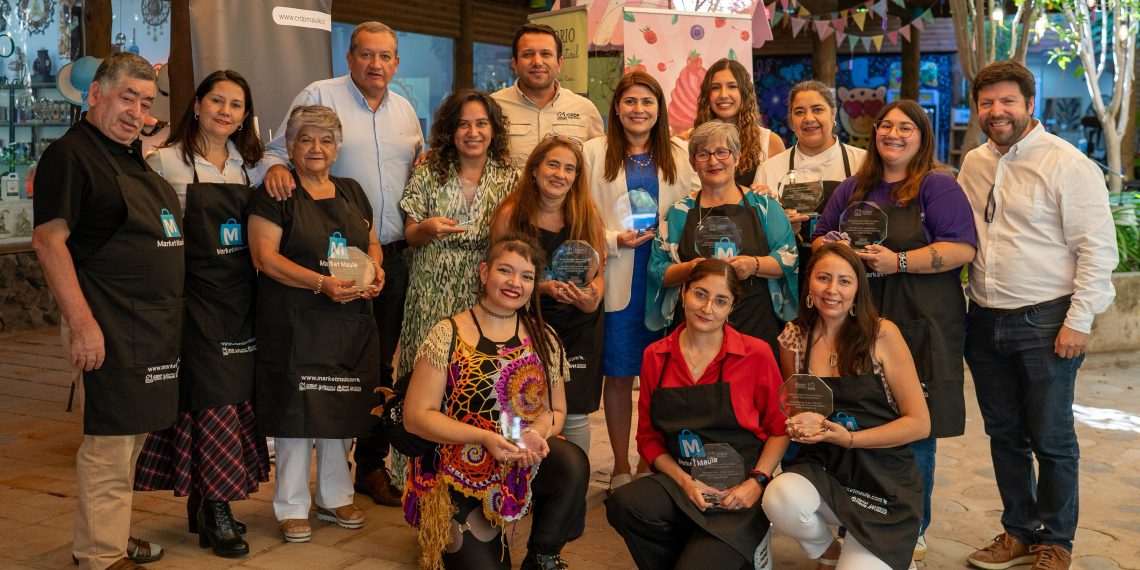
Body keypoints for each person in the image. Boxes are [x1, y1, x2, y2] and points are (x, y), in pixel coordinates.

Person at [958, 61, 1117, 570]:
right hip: (984, 320)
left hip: (1046, 322)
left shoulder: (1067, 163)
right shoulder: (974, 163)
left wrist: (1079, 321)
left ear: (1030, 104)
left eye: (1008, 101)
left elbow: (1097, 249)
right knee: (1005, 436)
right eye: (987, 102)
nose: (997, 111)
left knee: (1052, 439)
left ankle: (1058, 541)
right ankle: (1019, 533)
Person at [263, 21, 423, 507]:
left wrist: (379, 262)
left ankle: (369, 467)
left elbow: (418, 167)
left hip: (387, 258)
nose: (376, 64)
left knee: (376, 366)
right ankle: (307, 484)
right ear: (349, 58)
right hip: (319, 260)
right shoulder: (320, 94)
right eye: (366, 54)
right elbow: (277, 152)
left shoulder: (405, 110)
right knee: (318, 369)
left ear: (397, 63)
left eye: (386, 56)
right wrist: (275, 167)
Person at [810, 99, 977, 561]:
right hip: (863, 325)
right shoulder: (854, 187)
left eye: (906, 128)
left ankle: (913, 526)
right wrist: (834, 246)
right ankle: (861, 514)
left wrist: (898, 261)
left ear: (922, 137)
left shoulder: (937, 186)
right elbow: (820, 237)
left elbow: (962, 249)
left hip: (923, 323)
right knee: (862, 417)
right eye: (886, 126)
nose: (894, 134)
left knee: (915, 424)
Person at [32, 52, 173, 570]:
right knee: (109, 441)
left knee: (129, 440)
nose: (137, 111)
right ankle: (100, 554)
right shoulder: (70, 156)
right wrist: (83, 324)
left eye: (146, 102)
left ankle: (108, 533)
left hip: (142, 321)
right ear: (95, 95)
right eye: (126, 98)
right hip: (105, 319)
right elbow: (48, 241)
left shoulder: (128, 154)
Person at [133, 70, 271, 559]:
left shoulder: (250, 167)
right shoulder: (165, 162)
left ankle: (202, 501)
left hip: (240, 300)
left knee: (234, 398)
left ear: (245, 117)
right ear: (196, 105)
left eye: (236, 105)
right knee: (212, 399)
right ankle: (216, 508)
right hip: (191, 300)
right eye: (217, 100)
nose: (225, 111)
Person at [402, 236, 587, 570]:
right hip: (457, 469)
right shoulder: (448, 333)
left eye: (526, 276)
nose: (515, 282)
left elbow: (557, 410)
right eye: (505, 270)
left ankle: (542, 556)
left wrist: (536, 432)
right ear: (484, 272)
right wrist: (483, 437)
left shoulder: (544, 337)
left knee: (572, 463)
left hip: (517, 460)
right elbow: (415, 416)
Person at [248, 105, 384, 544]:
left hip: (347, 322)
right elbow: (264, 258)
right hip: (293, 322)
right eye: (305, 139)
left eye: (326, 140)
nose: (316, 148)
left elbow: (372, 242)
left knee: (338, 405)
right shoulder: (276, 192)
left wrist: (375, 271)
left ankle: (334, 496)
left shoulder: (352, 191)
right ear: (289, 146)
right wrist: (321, 283)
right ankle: (291, 504)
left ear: (337, 149)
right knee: (296, 412)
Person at [606, 259, 789, 570]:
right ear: (683, 293)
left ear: (732, 307)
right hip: (683, 484)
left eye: (721, 301)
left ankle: (746, 547)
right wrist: (685, 482)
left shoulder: (755, 354)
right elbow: (648, 439)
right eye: (700, 294)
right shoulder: (656, 356)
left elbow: (779, 429)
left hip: (737, 491)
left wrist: (757, 482)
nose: (707, 308)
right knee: (624, 504)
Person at [763, 242, 930, 570]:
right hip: (826, 469)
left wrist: (851, 439)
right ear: (809, 282)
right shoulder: (793, 337)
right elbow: (798, 408)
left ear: (858, 289)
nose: (832, 290)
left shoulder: (882, 334)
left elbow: (919, 423)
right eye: (823, 278)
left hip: (883, 478)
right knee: (780, 497)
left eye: (844, 281)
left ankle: (880, 552)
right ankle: (828, 552)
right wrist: (799, 423)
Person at [582, 71, 700, 491]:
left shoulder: (680, 153)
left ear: (659, 109)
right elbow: (580, 214)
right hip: (618, 274)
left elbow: (700, 204)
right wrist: (613, 239)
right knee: (618, 374)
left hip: (666, 276)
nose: (638, 109)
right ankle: (619, 465)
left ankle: (653, 460)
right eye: (630, 101)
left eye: (647, 102)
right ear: (616, 108)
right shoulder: (593, 152)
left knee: (663, 375)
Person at [491, 135, 606, 454]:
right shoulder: (511, 214)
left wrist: (592, 298)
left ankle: (575, 480)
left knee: (575, 413)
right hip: (528, 321)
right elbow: (497, 273)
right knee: (524, 407)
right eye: (553, 165)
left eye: (569, 169)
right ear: (534, 169)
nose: (560, 174)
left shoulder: (587, 215)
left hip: (579, 324)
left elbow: (599, 275)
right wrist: (541, 287)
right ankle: (524, 477)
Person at [398, 89, 519, 384]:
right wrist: (426, 228)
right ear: (450, 130)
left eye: (481, 123)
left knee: (477, 380)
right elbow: (411, 235)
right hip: (430, 293)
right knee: (425, 377)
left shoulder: (510, 177)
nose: (472, 133)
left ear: (493, 129)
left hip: (484, 294)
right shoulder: (427, 173)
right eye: (463, 124)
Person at [649, 121, 798, 355]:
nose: (713, 161)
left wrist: (754, 264)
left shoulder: (764, 206)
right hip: (695, 330)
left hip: (754, 323)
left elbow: (789, 258)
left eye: (721, 152)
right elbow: (657, 270)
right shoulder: (678, 212)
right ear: (692, 163)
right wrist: (690, 269)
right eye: (703, 154)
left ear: (737, 157)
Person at [753, 80, 866, 270]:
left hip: (848, 271)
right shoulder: (770, 168)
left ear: (833, 114)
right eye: (799, 112)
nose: (808, 118)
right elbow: (757, 234)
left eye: (817, 109)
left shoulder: (863, 162)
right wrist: (782, 229)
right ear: (791, 121)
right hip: (790, 272)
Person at [492, 23, 604, 167]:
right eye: (528, 54)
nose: (537, 62)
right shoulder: (494, 106)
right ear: (514, 64)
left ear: (559, 63)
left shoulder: (585, 110)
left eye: (546, 54)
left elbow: (598, 165)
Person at [682, 58, 786, 186]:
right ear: (707, 95)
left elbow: (783, 193)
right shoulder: (687, 140)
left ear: (744, 93)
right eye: (715, 87)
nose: (723, 95)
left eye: (732, 86)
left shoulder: (770, 142)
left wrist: (769, 194)